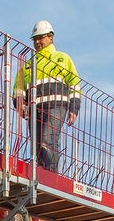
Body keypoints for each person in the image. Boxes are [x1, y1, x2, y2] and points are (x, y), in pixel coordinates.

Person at [13, 20, 82, 171]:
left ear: (51, 37)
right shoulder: (28, 65)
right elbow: (18, 90)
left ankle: (50, 176)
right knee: (37, 146)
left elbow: (75, 84)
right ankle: (41, 173)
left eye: (41, 37)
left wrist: (74, 108)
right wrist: (21, 106)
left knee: (48, 141)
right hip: (35, 110)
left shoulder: (63, 58)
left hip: (57, 107)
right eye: (35, 39)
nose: (37, 42)